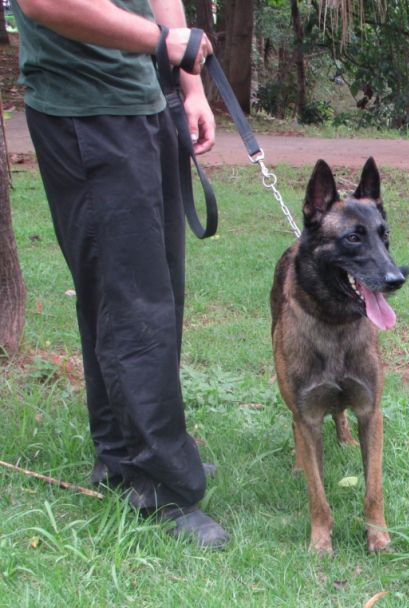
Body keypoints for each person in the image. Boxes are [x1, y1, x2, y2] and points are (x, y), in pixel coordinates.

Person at [12, 0, 228, 549]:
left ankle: (122, 459)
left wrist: (188, 82)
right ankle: (158, 486)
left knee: (152, 291)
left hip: (143, 100)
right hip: (84, 109)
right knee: (131, 300)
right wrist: (160, 41)